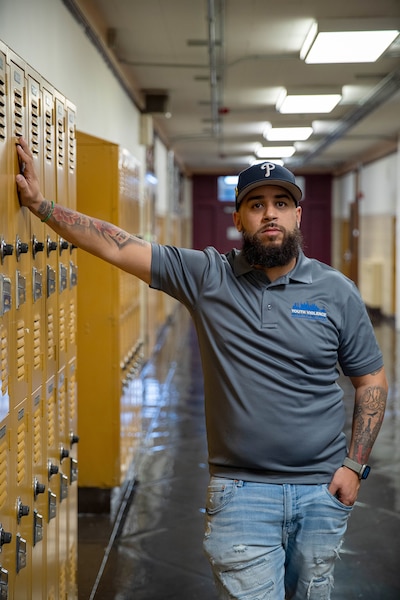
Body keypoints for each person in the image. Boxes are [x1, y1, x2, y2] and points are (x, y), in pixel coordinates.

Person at [15, 138, 387, 600]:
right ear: (238, 219)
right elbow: (117, 245)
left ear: (298, 215)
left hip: (321, 490)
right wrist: (41, 205)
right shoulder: (207, 276)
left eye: (281, 203)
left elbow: (370, 380)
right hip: (242, 493)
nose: (269, 213)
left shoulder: (338, 292)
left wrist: (354, 466)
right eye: (256, 204)